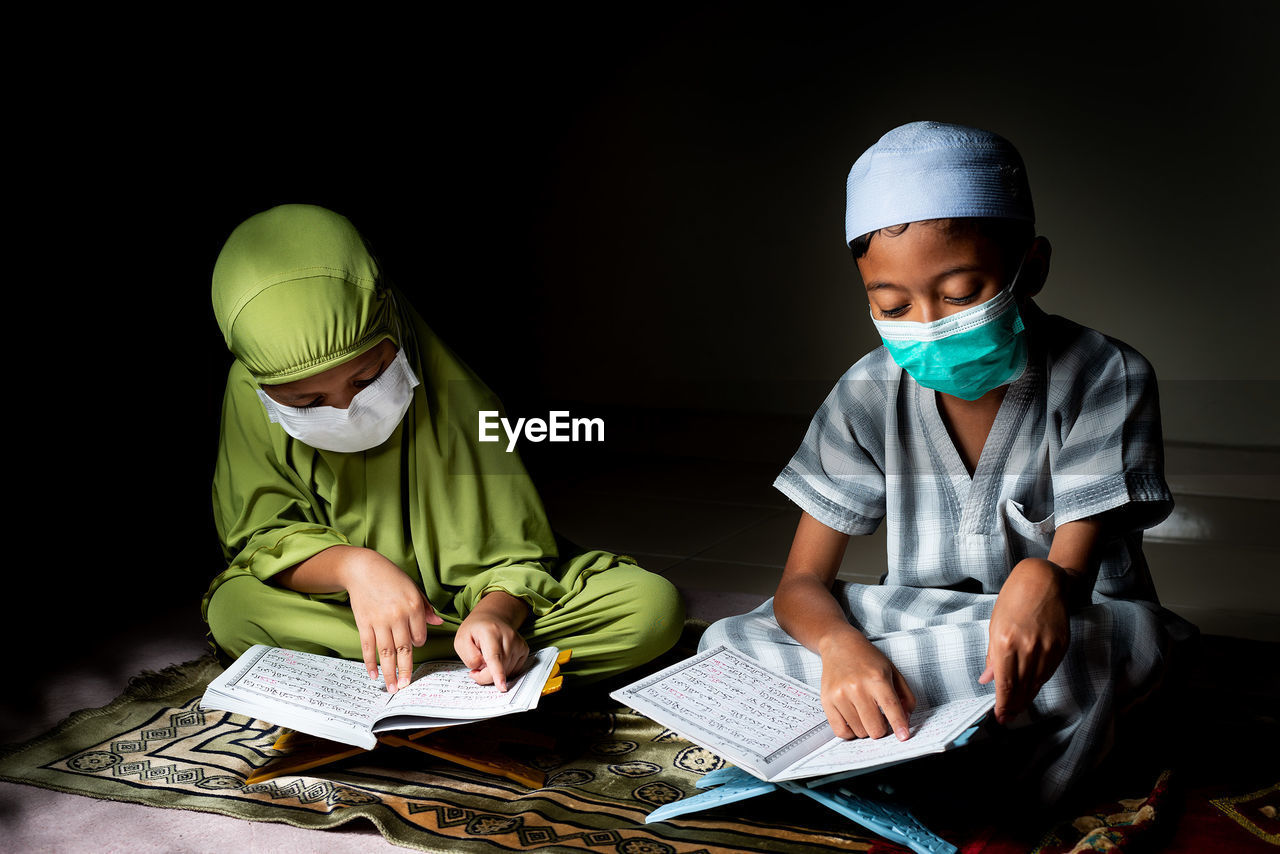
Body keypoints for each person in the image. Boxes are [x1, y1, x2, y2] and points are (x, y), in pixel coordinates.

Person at [699, 121, 1197, 806]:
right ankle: (919, 728)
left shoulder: (1103, 374)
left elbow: (1066, 583)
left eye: (961, 293)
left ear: (1033, 264)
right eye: (892, 305)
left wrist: (1042, 574)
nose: (928, 322)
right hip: (922, 620)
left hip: (1072, 624)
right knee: (726, 645)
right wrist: (844, 650)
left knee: (1102, 655)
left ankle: (885, 745)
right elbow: (800, 585)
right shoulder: (868, 392)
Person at [203, 204, 683, 694]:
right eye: (307, 402)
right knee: (236, 610)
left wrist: (495, 616)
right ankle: (464, 668)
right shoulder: (250, 392)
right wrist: (355, 568)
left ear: (393, 329)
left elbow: (515, 555)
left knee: (648, 608)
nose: (347, 408)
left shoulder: (458, 395)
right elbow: (262, 539)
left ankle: (423, 663)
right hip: (341, 608)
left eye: (366, 378)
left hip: (463, 610)